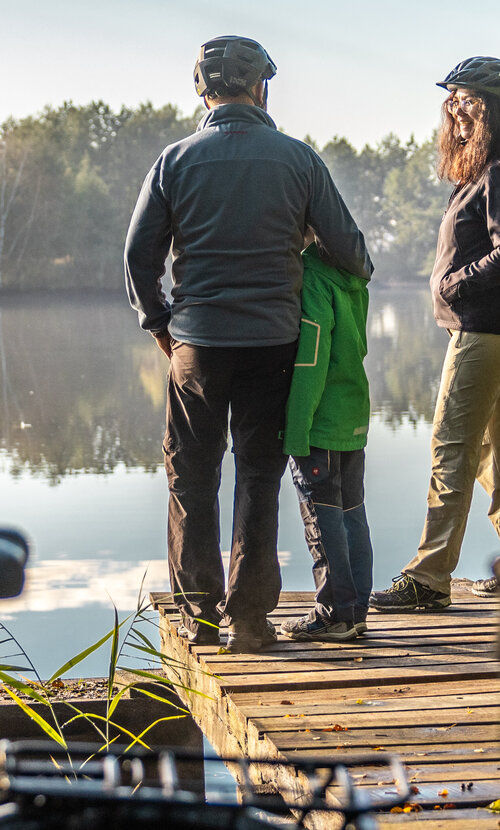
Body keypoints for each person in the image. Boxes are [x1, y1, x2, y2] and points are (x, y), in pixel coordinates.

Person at [126, 35, 373, 653]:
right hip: (275, 344)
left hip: (197, 344)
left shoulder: (174, 160)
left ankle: (201, 614)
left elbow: (138, 256)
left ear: (202, 89)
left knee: (191, 477)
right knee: (258, 476)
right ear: (261, 87)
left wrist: (160, 323)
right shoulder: (299, 160)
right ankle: (253, 621)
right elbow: (353, 254)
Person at [370, 56, 500, 613]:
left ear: (492, 108)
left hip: (482, 328)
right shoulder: (484, 166)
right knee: (496, 447)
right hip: (491, 326)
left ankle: (427, 577)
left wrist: (455, 283)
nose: (455, 108)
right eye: (451, 98)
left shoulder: (499, 170)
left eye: (467, 99)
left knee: (451, 446)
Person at [278, 244, 374, 642]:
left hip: (320, 421)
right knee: (352, 515)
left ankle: (334, 613)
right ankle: (355, 611)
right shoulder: (353, 275)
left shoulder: (313, 277)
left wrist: (296, 429)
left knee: (323, 518)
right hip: (352, 413)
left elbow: (311, 358)